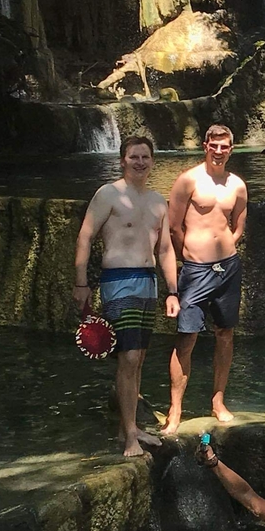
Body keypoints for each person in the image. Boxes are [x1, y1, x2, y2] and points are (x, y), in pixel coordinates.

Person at [73, 136, 180, 456]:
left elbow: (165, 249)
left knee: (140, 357)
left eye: (145, 156)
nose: (140, 162)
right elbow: (85, 236)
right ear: (122, 160)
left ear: (152, 160)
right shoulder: (108, 194)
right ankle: (130, 436)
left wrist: (172, 290)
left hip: (148, 282)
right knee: (129, 357)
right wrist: (81, 283)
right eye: (134, 156)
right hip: (118, 281)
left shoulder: (159, 201)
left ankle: (127, 428)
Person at [162, 124, 248, 434]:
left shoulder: (237, 185)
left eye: (225, 146)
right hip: (196, 269)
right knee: (187, 338)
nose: (219, 150)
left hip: (228, 267)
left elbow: (237, 225)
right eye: (215, 145)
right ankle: (175, 409)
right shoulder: (188, 180)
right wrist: (191, 255)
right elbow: (173, 227)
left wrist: (225, 247)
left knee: (225, 334)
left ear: (231, 148)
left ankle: (218, 400)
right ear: (205, 145)